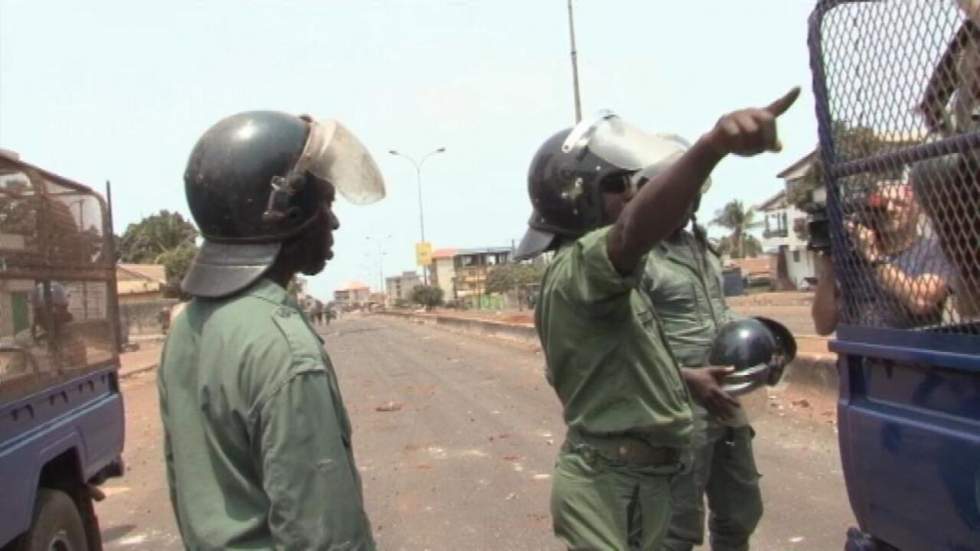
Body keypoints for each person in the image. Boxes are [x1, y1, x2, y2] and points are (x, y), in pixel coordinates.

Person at [515, 88, 799, 550]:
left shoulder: (607, 281)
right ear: (580, 195)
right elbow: (629, 233)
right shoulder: (582, 268)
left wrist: (688, 376)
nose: (631, 195)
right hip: (614, 484)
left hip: (637, 477)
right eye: (617, 185)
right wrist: (713, 147)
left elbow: (630, 362)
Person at [158, 111, 384, 550]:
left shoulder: (186, 328)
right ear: (284, 212)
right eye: (327, 204)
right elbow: (322, 536)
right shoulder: (283, 349)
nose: (333, 223)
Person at [640, 193, 763, 551]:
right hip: (678, 404)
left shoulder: (701, 248)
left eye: (692, 194)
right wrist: (684, 376)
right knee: (676, 526)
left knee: (741, 511)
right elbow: (628, 343)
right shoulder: (637, 256)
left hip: (724, 398)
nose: (686, 201)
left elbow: (719, 313)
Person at [811, 182, 955, 334]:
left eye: (900, 204)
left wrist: (875, 258)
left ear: (918, 209)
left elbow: (921, 302)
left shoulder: (933, 250)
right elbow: (823, 326)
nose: (890, 209)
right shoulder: (854, 254)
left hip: (907, 351)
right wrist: (829, 267)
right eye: (883, 204)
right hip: (858, 352)